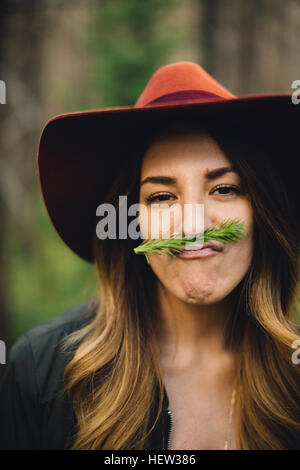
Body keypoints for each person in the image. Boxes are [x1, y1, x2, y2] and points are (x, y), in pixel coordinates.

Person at [0, 61, 300, 450]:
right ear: (132, 222)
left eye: (224, 189)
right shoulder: (43, 374)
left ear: (262, 210)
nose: (192, 228)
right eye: (162, 197)